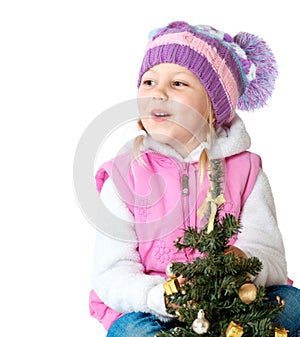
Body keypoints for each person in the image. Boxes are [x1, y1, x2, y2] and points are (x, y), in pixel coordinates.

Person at [89, 21, 300, 336]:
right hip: (151, 307)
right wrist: (162, 296)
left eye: (178, 84)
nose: (157, 92)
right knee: (132, 331)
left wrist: (243, 263)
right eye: (148, 81)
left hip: (233, 303)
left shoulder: (245, 171)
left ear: (213, 106)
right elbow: (111, 272)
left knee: (292, 304)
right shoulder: (124, 175)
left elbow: (270, 255)